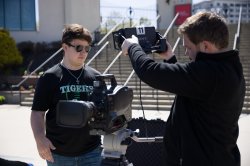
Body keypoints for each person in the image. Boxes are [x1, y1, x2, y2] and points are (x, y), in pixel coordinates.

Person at [121, 11, 245, 166]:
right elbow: (191, 88)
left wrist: (133, 47)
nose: (187, 53)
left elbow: (150, 72)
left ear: (205, 45)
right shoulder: (227, 69)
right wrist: (170, 58)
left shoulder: (211, 74)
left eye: (189, 48)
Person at [30, 24, 102, 166]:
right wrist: (40, 139)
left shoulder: (96, 77)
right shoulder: (49, 77)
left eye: (87, 48)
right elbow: (37, 113)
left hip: (92, 152)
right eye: (78, 47)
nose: (84, 52)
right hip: (58, 154)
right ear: (65, 47)